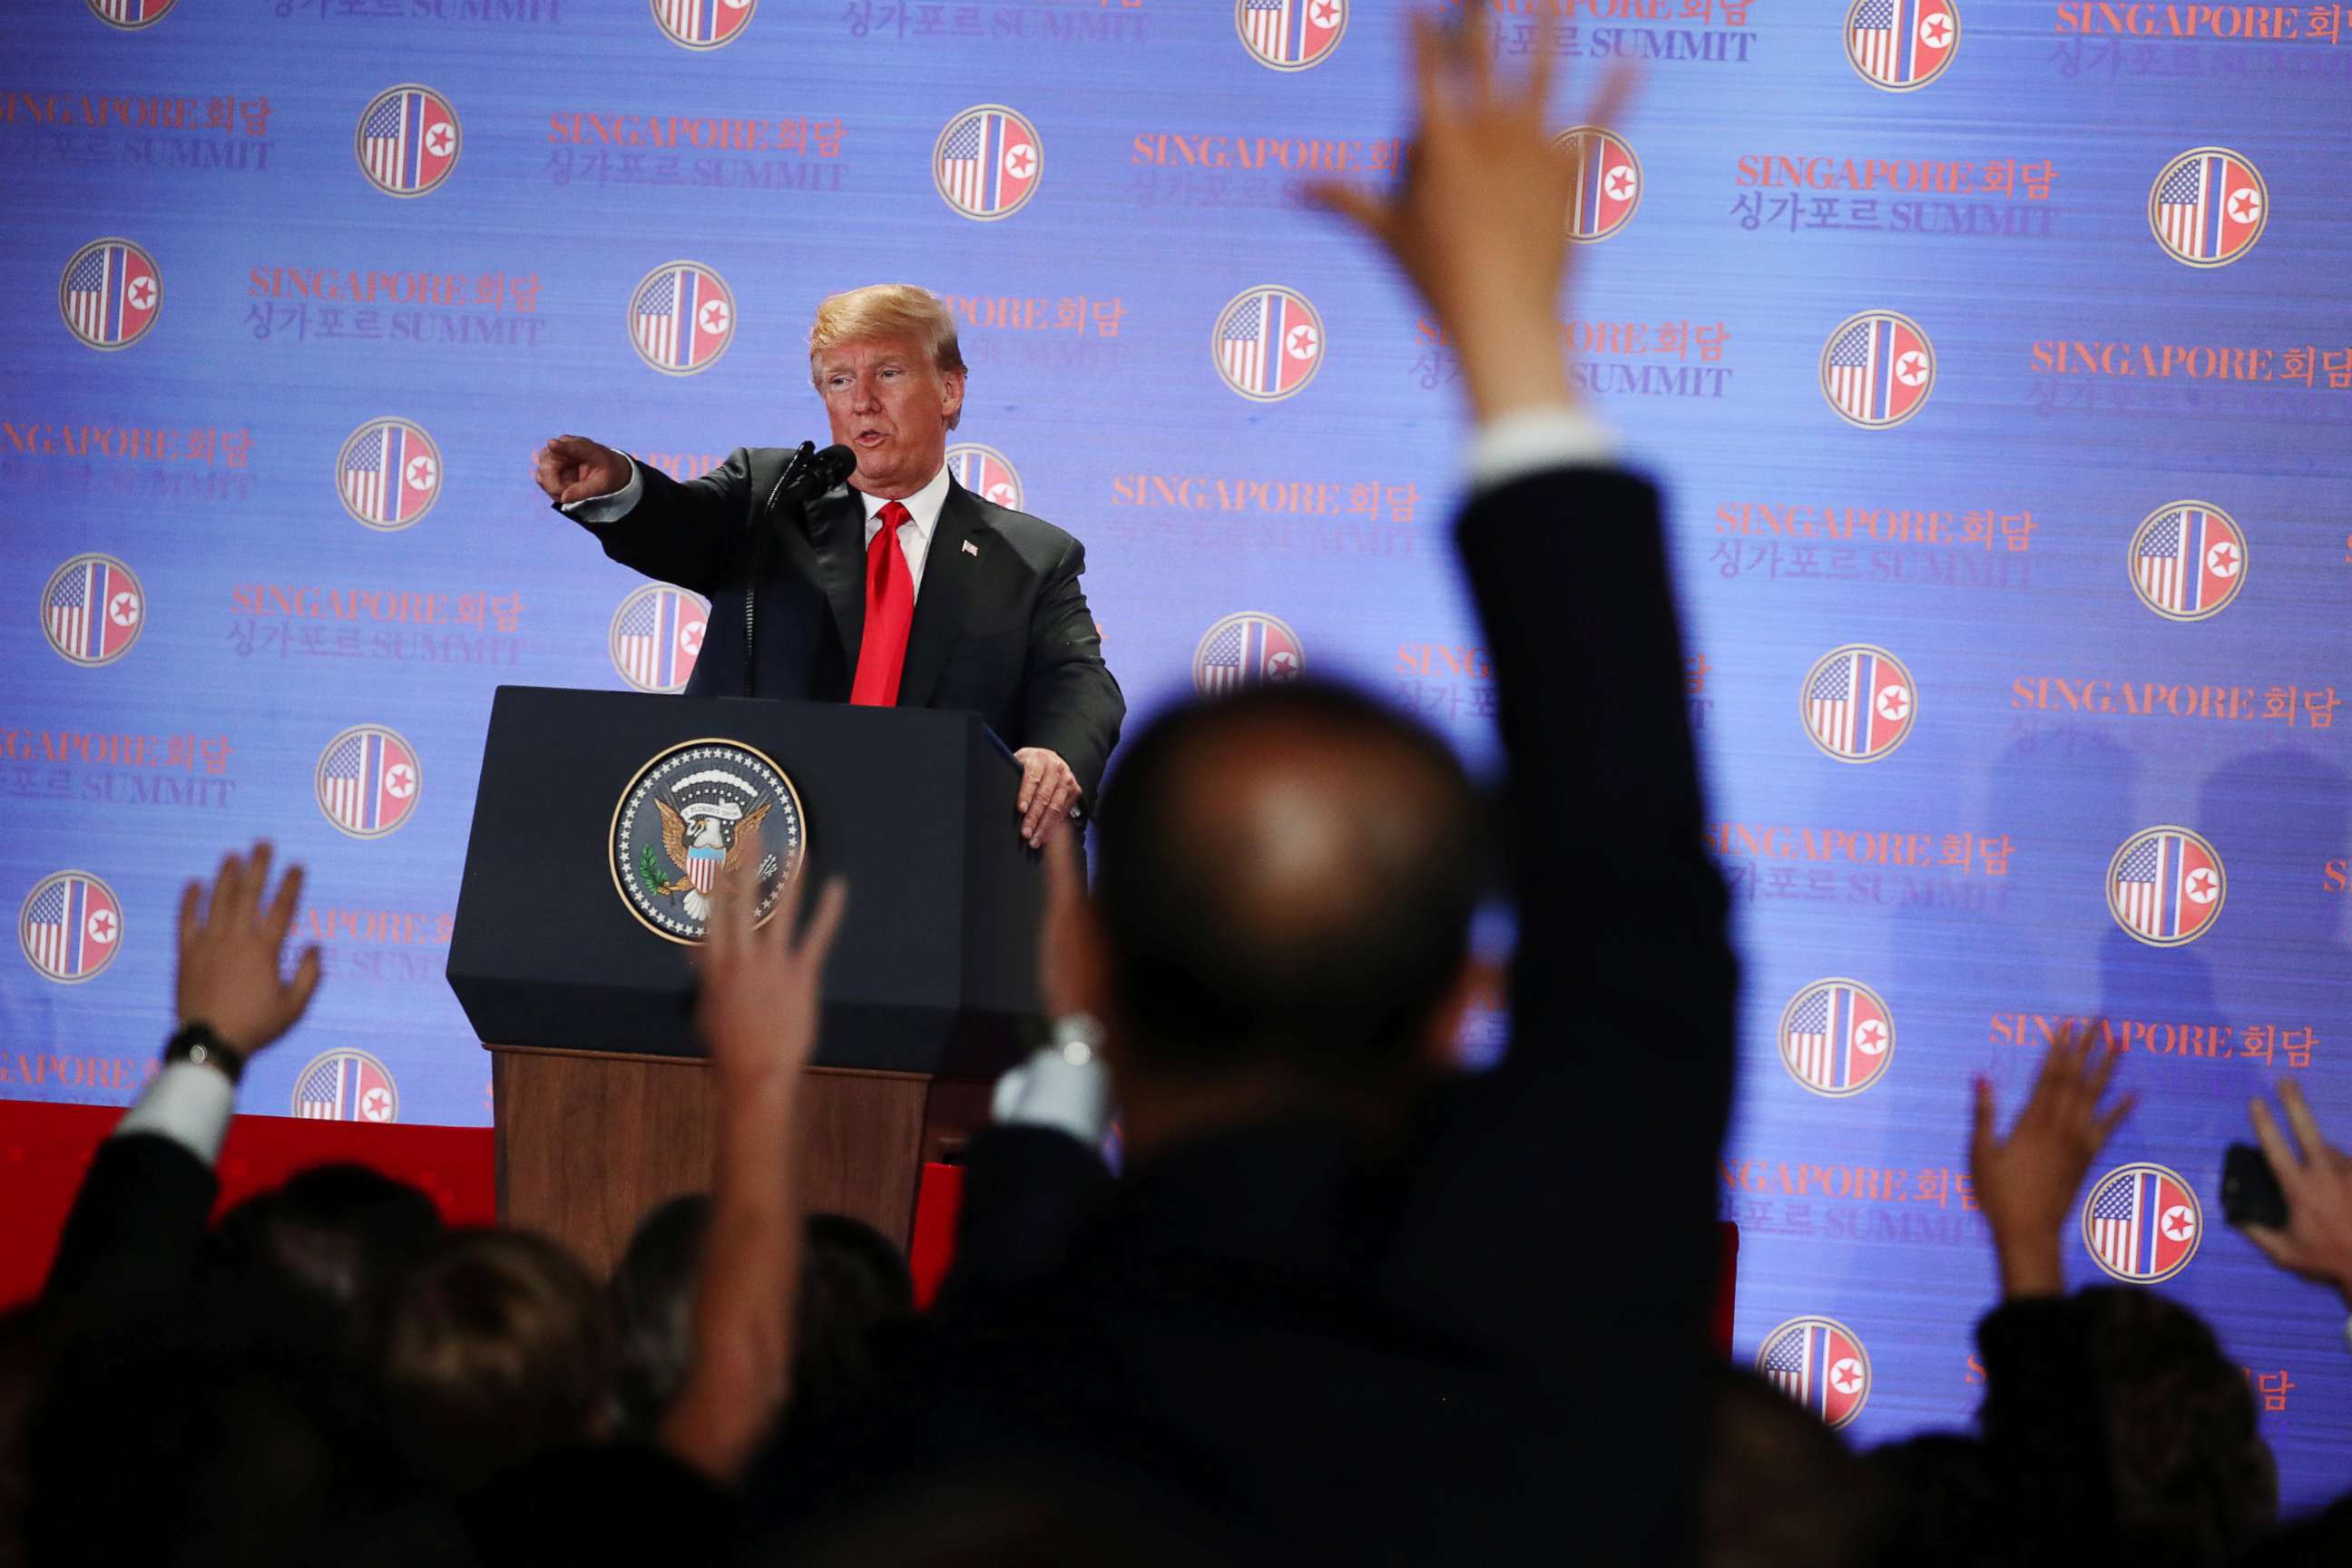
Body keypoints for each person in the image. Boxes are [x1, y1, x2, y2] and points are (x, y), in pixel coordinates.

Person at [749, 21, 1738, 1563]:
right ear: (1457, 995)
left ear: (1079, 964)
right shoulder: (1559, 1335)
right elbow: (1633, 888)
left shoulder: (966, 1392)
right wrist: (1511, 351)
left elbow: (1632, 924)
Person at [532, 283, 1124, 847]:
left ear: (950, 391)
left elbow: (1081, 682)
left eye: (888, 373)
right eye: (840, 380)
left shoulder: (1031, 558)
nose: (862, 400)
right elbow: (681, 524)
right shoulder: (770, 499)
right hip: (752, 852)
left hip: (926, 861)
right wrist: (620, 490)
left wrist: (1056, 757)